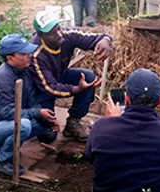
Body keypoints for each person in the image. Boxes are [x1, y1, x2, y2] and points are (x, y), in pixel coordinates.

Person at [0, 34, 59, 175]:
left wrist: (46, 118)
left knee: (42, 125)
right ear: (10, 58)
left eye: (28, 52)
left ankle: (4, 146)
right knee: (24, 125)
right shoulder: (2, 77)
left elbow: (32, 101)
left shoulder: (23, 71)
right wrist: (37, 113)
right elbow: (8, 112)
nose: (29, 55)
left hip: (4, 124)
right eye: (23, 53)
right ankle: (3, 161)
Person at [29, 10, 112, 142]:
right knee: (48, 136)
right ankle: (31, 115)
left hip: (59, 76)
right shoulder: (35, 53)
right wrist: (76, 89)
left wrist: (105, 40)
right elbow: (49, 88)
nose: (58, 34)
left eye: (58, 29)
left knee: (88, 76)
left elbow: (95, 37)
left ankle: (73, 122)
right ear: (41, 35)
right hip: (40, 90)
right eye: (52, 33)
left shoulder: (66, 35)